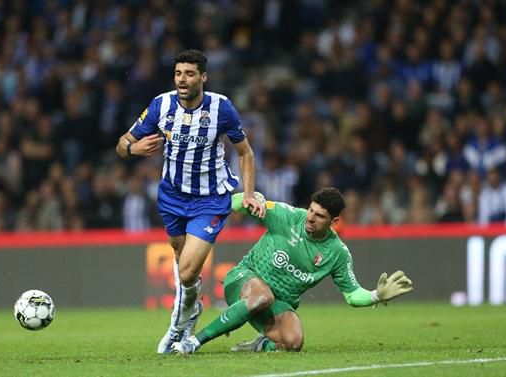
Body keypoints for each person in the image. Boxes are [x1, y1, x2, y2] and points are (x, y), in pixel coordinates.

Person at [115, 49, 265, 353]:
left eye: (190, 74)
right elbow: (121, 144)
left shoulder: (222, 109)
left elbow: (245, 152)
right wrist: (134, 150)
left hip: (210, 199)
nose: (182, 80)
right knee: (186, 268)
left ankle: (176, 327)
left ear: (203, 77)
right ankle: (192, 309)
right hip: (171, 197)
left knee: (185, 272)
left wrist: (248, 193)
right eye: (178, 73)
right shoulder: (162, 105)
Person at [171, 188, 414, 353]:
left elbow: (352, 294)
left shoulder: (337, 253)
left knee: (293, 342)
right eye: (311, 210)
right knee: (262, 296)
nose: (311, 218)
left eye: (319, 216)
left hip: (277, 302)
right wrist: (247, 199)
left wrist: (375, 296)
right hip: (243, 280)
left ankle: (259, 345)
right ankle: (193, 341)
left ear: (334, 222)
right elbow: (235, 204)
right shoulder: (287, 216)